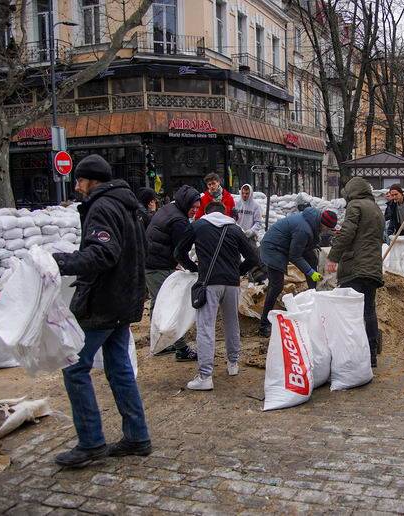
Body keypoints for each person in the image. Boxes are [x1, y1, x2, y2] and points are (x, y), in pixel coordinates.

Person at [51, 154, 151, 467]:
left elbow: (102, 253)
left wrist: (65, 262)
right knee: (119, 367)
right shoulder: (127, 205)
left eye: (79, 180)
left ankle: (91, 442)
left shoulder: (103, 207)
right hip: (123, 299)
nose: (77, 186)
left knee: (75, 367)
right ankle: (137, 436)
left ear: (92, 180)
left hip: (104, 303)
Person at [175, 202, 258, 390]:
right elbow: (253, 257)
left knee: (205, 327)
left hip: (209, 283)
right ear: (224, 213)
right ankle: (233, 364)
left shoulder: (197, 226)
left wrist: (194, 268)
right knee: (231, 323)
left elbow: (178, 252)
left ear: (206, 212)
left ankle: (205, 376)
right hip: (231, 284)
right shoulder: (235, 229)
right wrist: (237, 272)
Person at [326, 178, 384, 367]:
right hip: (372, 267)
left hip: (355, 267)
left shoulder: (355, 206)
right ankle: (372, 354)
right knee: (369, 310)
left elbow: (348, 232)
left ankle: (354, 354)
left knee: (352, 313)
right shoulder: (375, 208)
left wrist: (333, 256)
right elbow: (367, 236)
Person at [258, 208, 338, 337]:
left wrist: (333, 232)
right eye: (327, 229)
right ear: (323, 225)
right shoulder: (303, 230)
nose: (326, 232)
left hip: (283, 246)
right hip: (272, 248)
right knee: (276, 286)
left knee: (312, 258)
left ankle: (313, 297)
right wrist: (311, 272)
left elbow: (308, 245)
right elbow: (295, 256)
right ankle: (264, 324)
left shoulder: (315, 220)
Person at [144, 185, 202, 361]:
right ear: (186, 204)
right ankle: (181, 348)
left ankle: (159, 343)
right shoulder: (179, 220)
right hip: (157, 265)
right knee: (170, 306)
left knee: (158, 302)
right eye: (193, 207)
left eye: (198, 208)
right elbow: (180, 252)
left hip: (150, 262)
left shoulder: (170, 208)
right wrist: (193, 268)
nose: (194, 211)